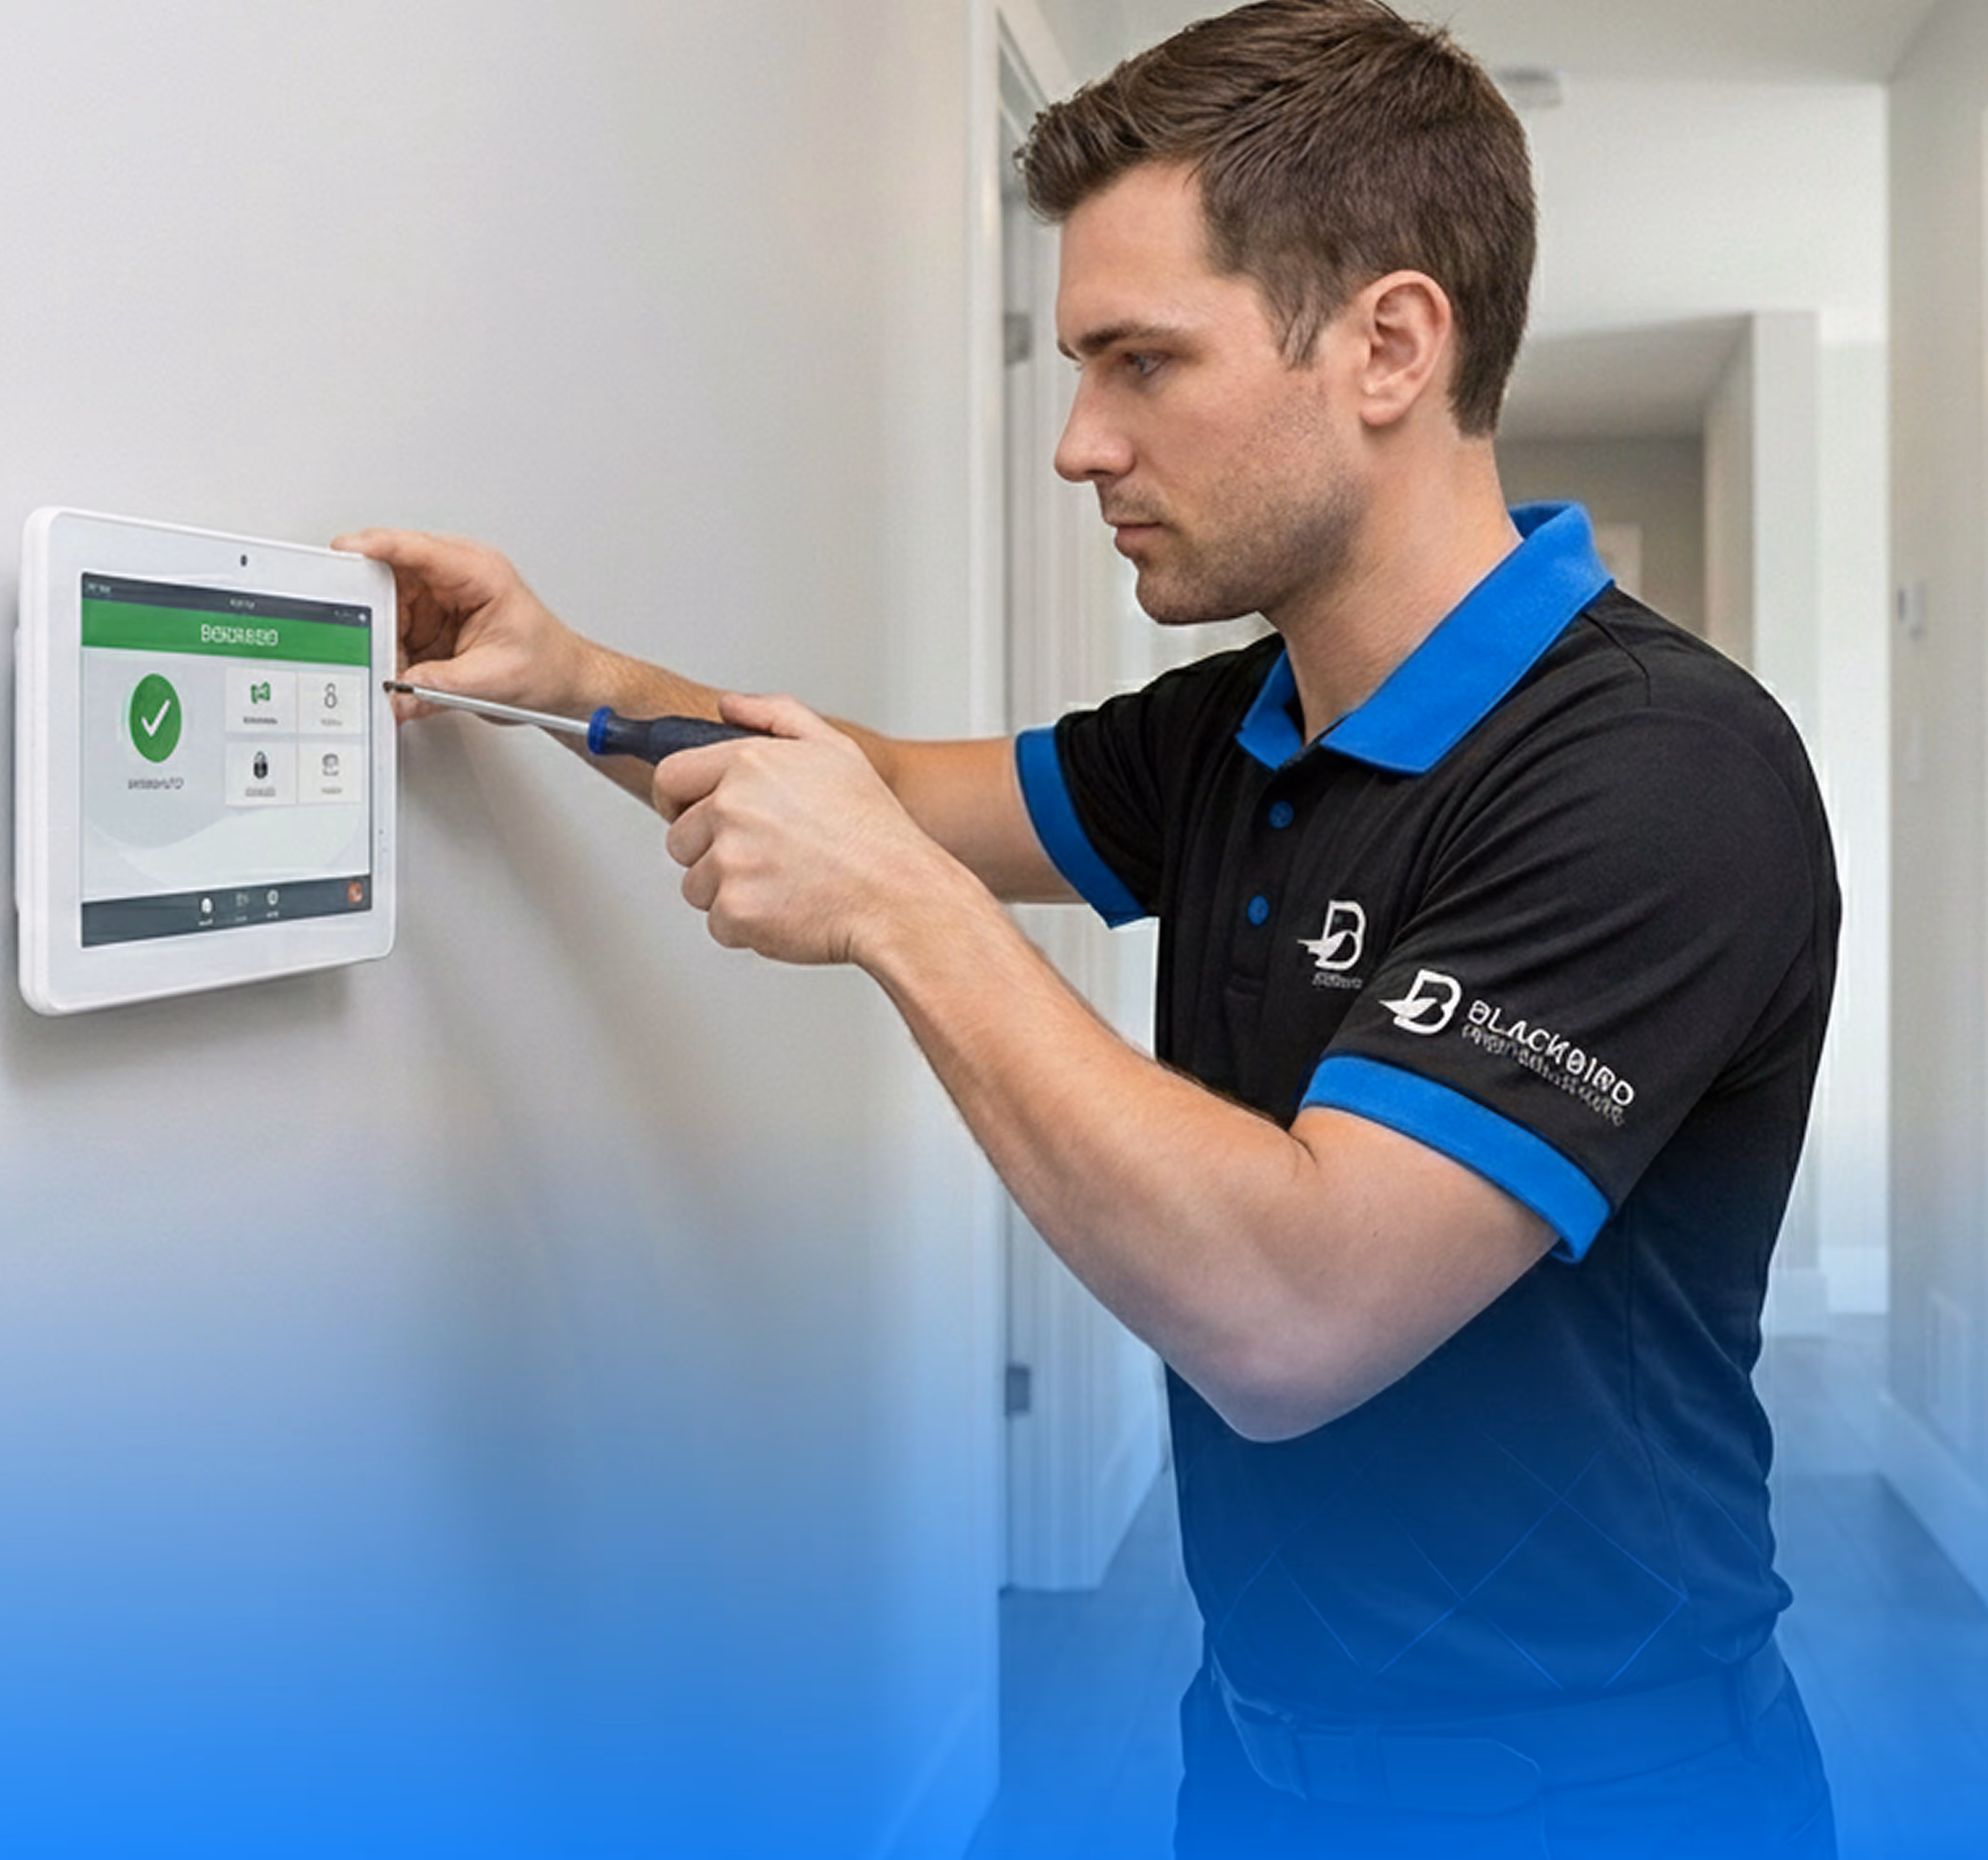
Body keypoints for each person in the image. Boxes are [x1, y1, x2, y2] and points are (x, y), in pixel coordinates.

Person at [342, 1, 1838, 1851]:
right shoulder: (1239, 725)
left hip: (1600, 1793)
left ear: (1388, 343)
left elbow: (1293, 1315)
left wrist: (903, 915)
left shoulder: (1655, 772)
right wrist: (569, 672)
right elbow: (889, 788)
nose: (1076, 444)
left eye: (1142, 362)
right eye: (1078, 366)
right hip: (1258, 1761)